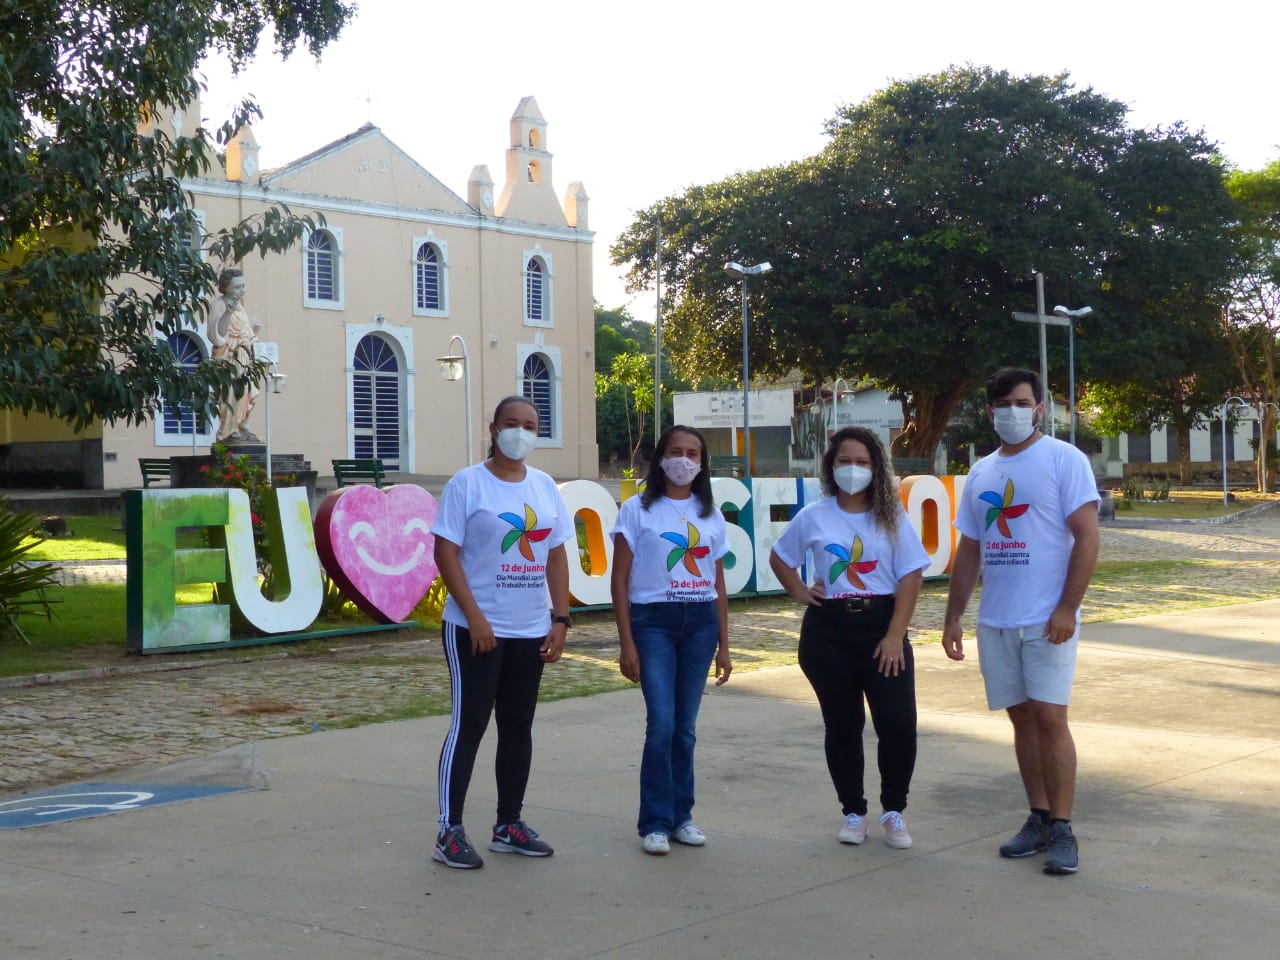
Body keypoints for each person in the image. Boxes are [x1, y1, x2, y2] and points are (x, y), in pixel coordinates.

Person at [942, 367, 1100, 876]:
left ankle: (1063, 828)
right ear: (990, 411)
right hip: (997, 620)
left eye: (1023, 402)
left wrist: (1066, 608)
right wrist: (954, 616)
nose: (1014, 410)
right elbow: (970, 547)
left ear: (1039, 407)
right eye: (1003, 403)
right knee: (1021, 719)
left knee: (1051, 718)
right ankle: (1036, 815)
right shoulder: (983, 472)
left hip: (1046, 619)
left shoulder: (1063, 459)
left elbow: (1087, 538)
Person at [430, 396, 574, 869]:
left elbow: (555, 553)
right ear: (493, 428)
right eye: (512, 423)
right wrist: (474, 616)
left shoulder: (545, 486)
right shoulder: (467, 485)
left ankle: (507, 824)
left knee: (518, 728)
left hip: (530, 629)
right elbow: (446, 554)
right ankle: (449, 830)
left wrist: (560, 618)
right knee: (469, 727)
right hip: (477, 629)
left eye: (530, 425)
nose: (521, 432)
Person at [769, 426, 929, 849]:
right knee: (842, 725)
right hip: (829, 631)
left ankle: (894, 810)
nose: (853, 470)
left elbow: (912, 575)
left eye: (862, 462)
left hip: (882, 627)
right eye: (844, 461)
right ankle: (853, 812)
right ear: (831, 467)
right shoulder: (815, 515)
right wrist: (801, 591)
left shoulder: (892, 516)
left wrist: (896, 636)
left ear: (876, 467)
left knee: (897, 723)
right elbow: (781, 557)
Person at [610, 425, 732, 855]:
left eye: (693, 454)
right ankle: (655, 821)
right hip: (654, 622)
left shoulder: (709, 513)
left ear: (702, 463)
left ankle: (682, 816)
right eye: (676, 451)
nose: (684, 460)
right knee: (661, 724)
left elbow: (718, 583)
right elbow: (620, 579)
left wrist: (725, 644)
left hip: (700, 623)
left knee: (686, 728)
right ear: (661, 457)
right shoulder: (637, 510)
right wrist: (627, 643)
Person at [206, 268, 262, 443]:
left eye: (243, 286)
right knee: (230, 393)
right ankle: (228, 430)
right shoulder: (218, 305)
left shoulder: (241, 308)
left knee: (247, 392)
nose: (242, 290)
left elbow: (245, 333)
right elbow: (217, 336)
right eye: (238, 287)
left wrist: (253, 334)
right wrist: (227, 314)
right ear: (226, 287)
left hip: (244, 358)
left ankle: (241, 423)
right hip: (227, 357)